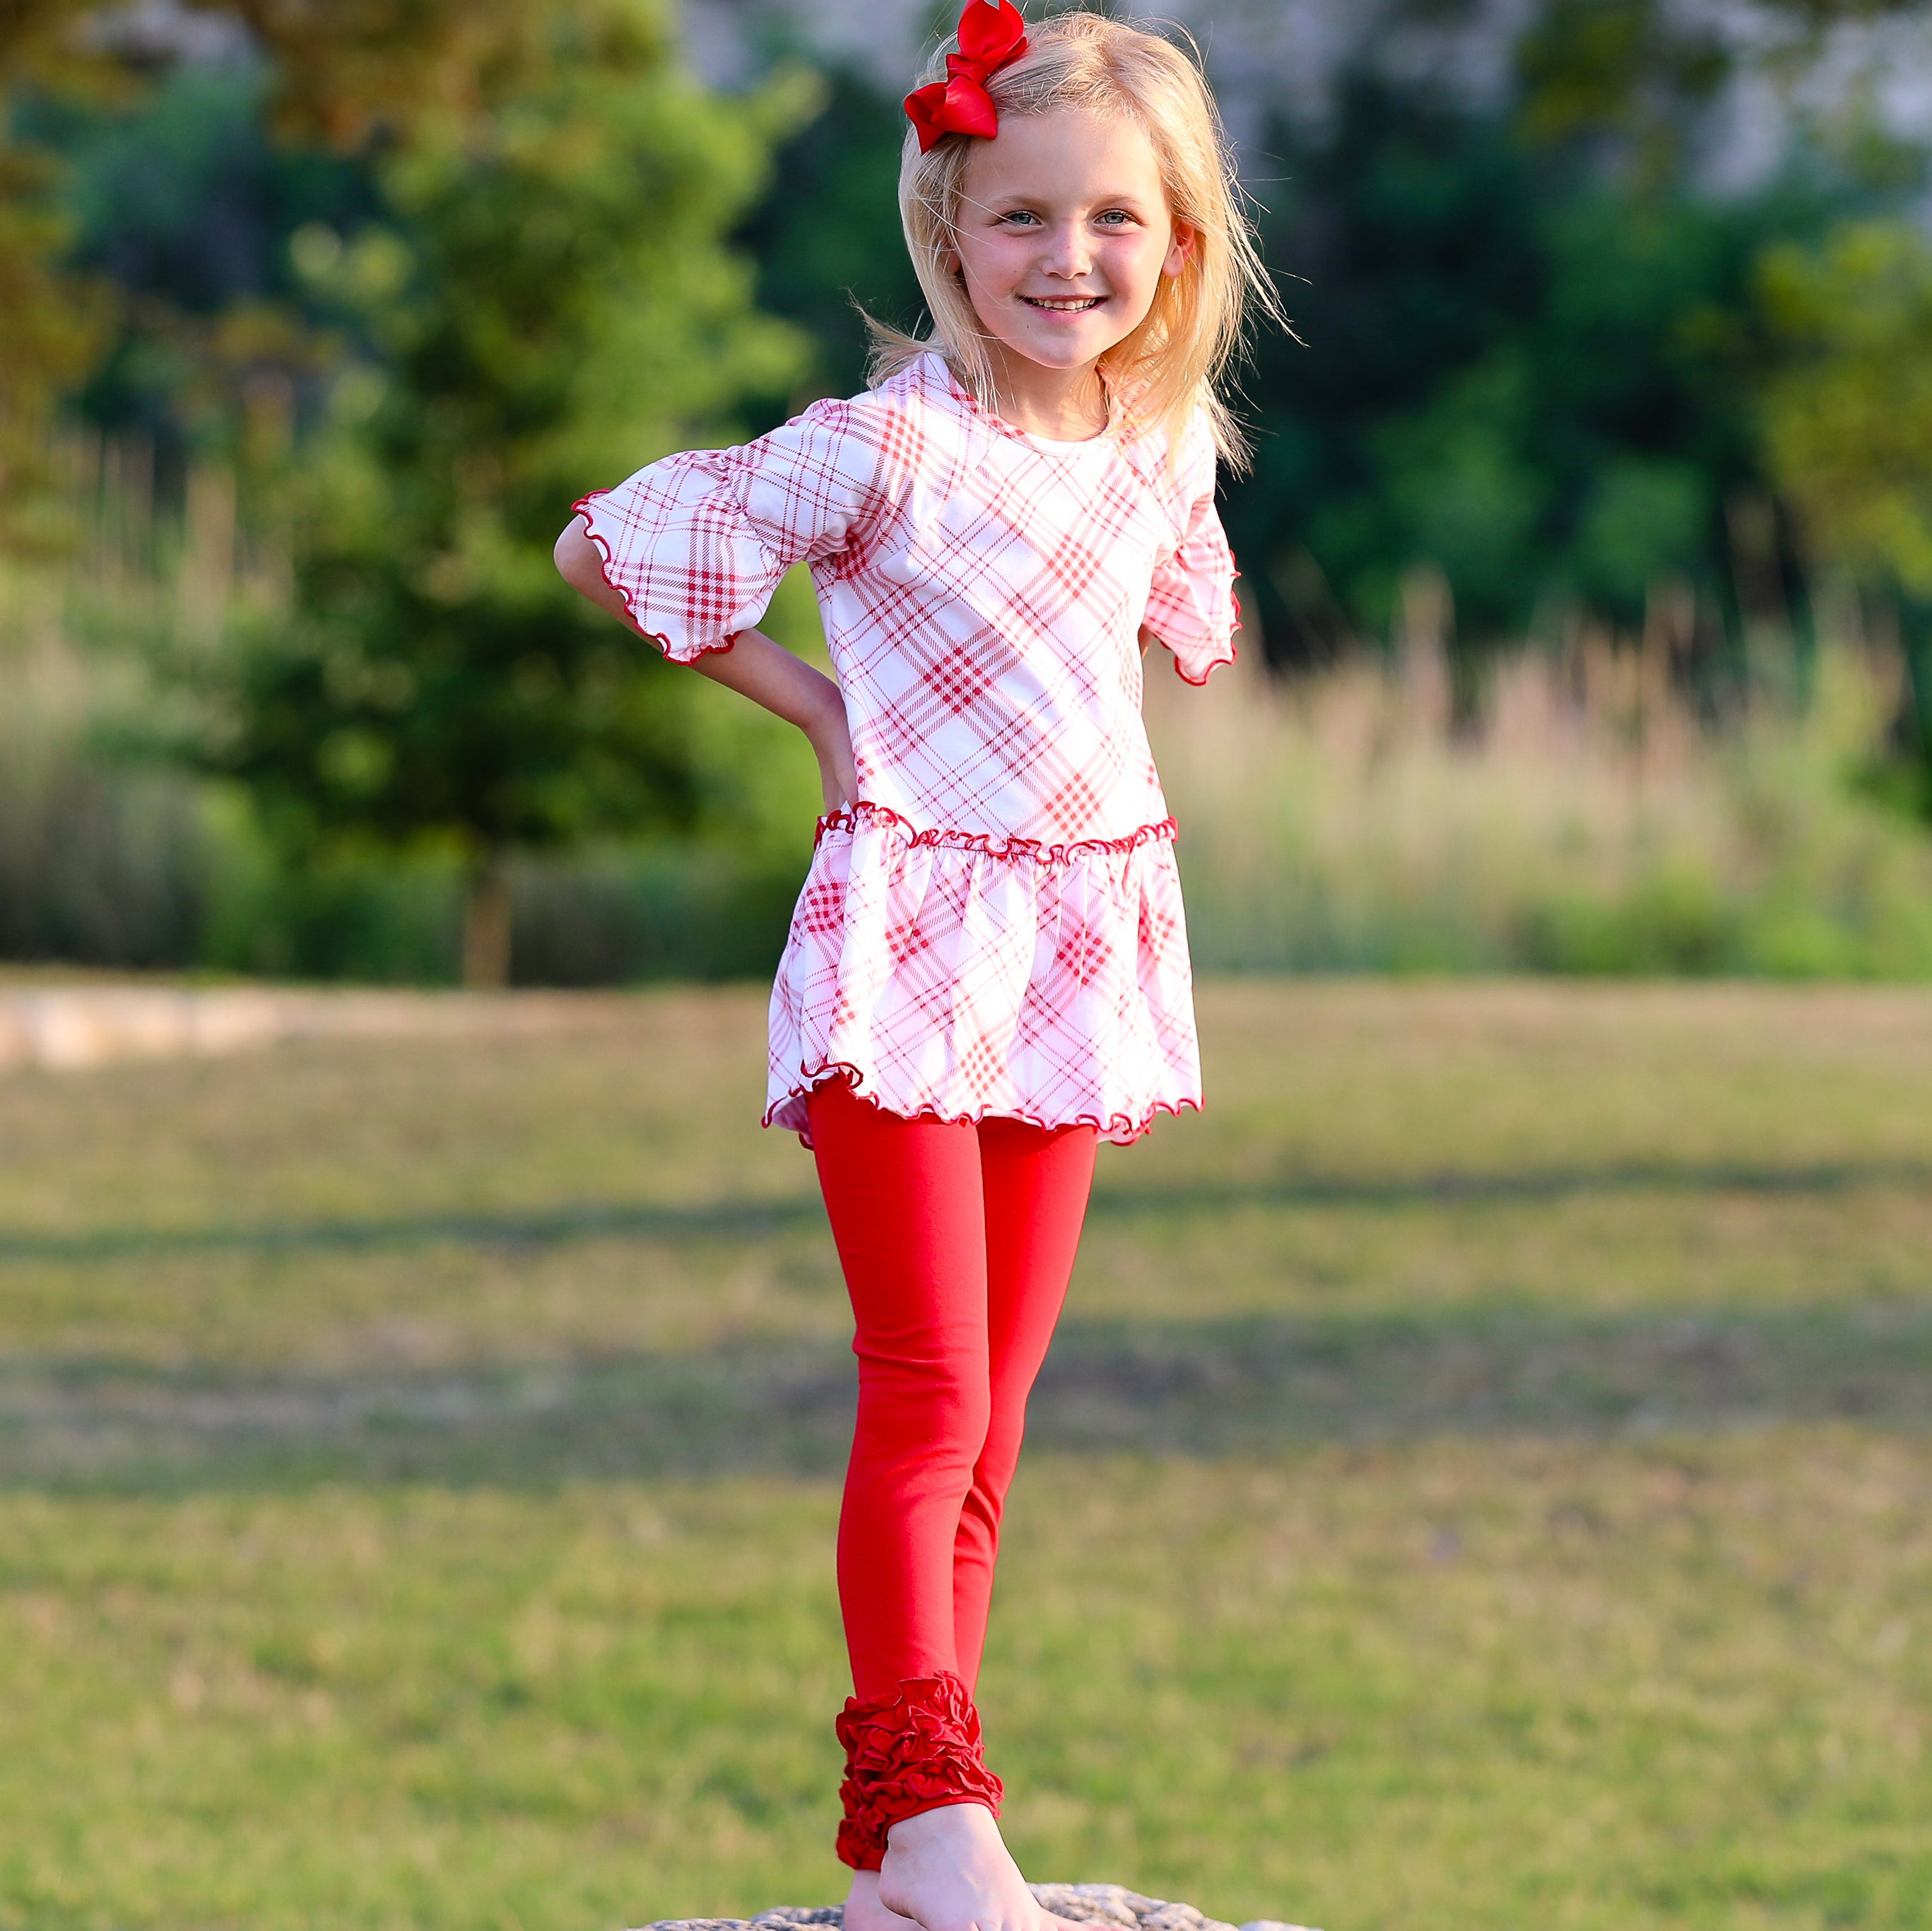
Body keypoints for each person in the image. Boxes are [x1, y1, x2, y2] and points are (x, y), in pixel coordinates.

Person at [555, 8, 1279, 1929]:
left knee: (1006, 1408)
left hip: (1068, 950)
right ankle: (938, 1804)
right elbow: (609, 547)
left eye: (1117, 220)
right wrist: (809, 702)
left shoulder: (1161, 447)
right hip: (906, 948)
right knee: (930, 1389)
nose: (1070, 258)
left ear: (1183, 243)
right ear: (950, 229)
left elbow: (1144, 633)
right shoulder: (891, 445)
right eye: (1025, 217)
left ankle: (892, 1855)